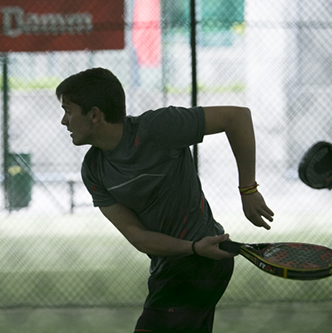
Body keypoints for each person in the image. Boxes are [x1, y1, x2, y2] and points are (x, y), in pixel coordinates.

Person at [56, 68, 274, 332]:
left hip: (202, 266)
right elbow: (137, 235)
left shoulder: (158, 127)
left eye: (68, 110)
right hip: (171, 266)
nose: (63, 121)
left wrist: (248, 190)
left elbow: (236, 116)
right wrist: (192, 247)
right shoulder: (93, 169)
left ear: (94, 115)